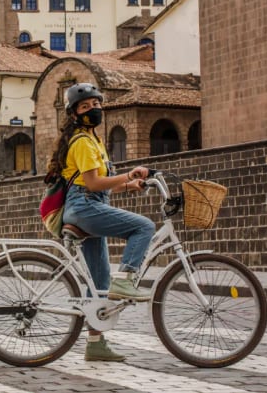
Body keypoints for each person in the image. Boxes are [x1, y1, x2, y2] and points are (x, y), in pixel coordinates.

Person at [49, 83, 155, 362]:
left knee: (98, 281)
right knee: (144, 227)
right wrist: (126, 176)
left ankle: (95, 344)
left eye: (96, 104)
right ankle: (125, 280)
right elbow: (93, 183)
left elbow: (98, 186)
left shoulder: (94, 140)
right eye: (85, 107)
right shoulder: (83, 142)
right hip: (84, 207)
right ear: (74, 114)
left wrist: (129, 185)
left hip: (90, 204)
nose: (94, 109)